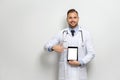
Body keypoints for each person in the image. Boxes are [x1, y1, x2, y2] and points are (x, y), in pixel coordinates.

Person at [44, 9, 95, 80]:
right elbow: (46, 46)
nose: (72, 20)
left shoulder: (86, 34)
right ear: (67, 19)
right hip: (65, 72)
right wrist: (53, 48)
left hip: (80, 72)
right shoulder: (61, 33)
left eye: (75, 17)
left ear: (78, 18)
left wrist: (80, 62)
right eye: (70, 17)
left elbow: (91, 53)